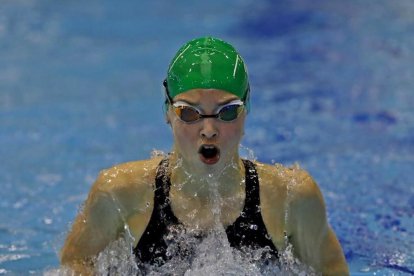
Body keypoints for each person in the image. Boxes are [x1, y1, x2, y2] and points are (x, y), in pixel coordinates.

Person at [60, 36, 349, 275]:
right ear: (167, 113)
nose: (208, 130)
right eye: (189, 112)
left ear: (246, 110)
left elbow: (332, 269)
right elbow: (75, 263)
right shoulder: (119, 193)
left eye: (227, 111)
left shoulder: (291, 199)